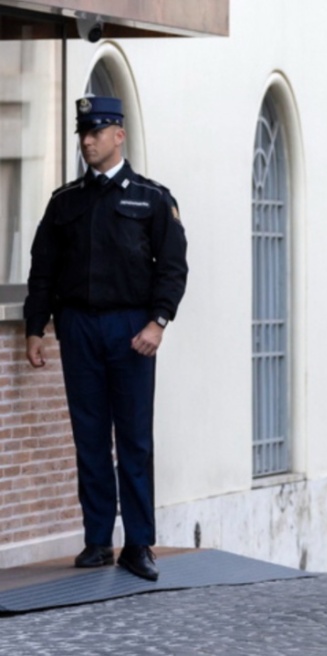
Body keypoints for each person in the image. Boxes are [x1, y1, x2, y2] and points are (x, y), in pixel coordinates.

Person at [24, 96, 188, 582]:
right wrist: (35, 327)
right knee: (90, 437)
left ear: (119, 135)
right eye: (83, 133)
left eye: (95, 132)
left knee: (134, 439)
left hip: (131, 329)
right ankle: (97, 540)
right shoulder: (65, 201)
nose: (87, 141)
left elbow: (172, 268)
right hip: (78, 327)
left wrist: (158, 322)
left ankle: (138, 544)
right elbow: (42, 270)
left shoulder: (152, 199)